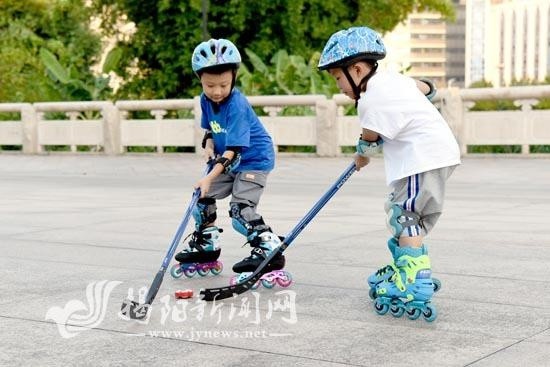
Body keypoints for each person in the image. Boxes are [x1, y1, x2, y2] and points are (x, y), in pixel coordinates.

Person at [318, 26, 461, 321]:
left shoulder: (370, 97)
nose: (339, 87)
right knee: (412, 218)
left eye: (338, 77)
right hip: (439, 154)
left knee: (404, 216)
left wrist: (361, 155)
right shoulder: (393, 80)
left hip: (420, 159)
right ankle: (405, 269)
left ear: (356, 69)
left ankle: (414, 280)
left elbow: (370, 137)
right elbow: (426, 87)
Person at [173, 38, 286, 281]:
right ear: (200, 80)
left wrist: (208, 177)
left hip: (253, 159)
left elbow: (232, 151)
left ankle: (269, 248)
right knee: (201, 198)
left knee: (240, 211)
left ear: (234, 77)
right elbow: (211, 130)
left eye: (223, 85)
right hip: (229, 159)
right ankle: (207, 244)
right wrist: (209, 143)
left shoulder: (237, 104)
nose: (216, 92)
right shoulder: (205, 100)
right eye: (209, 85)